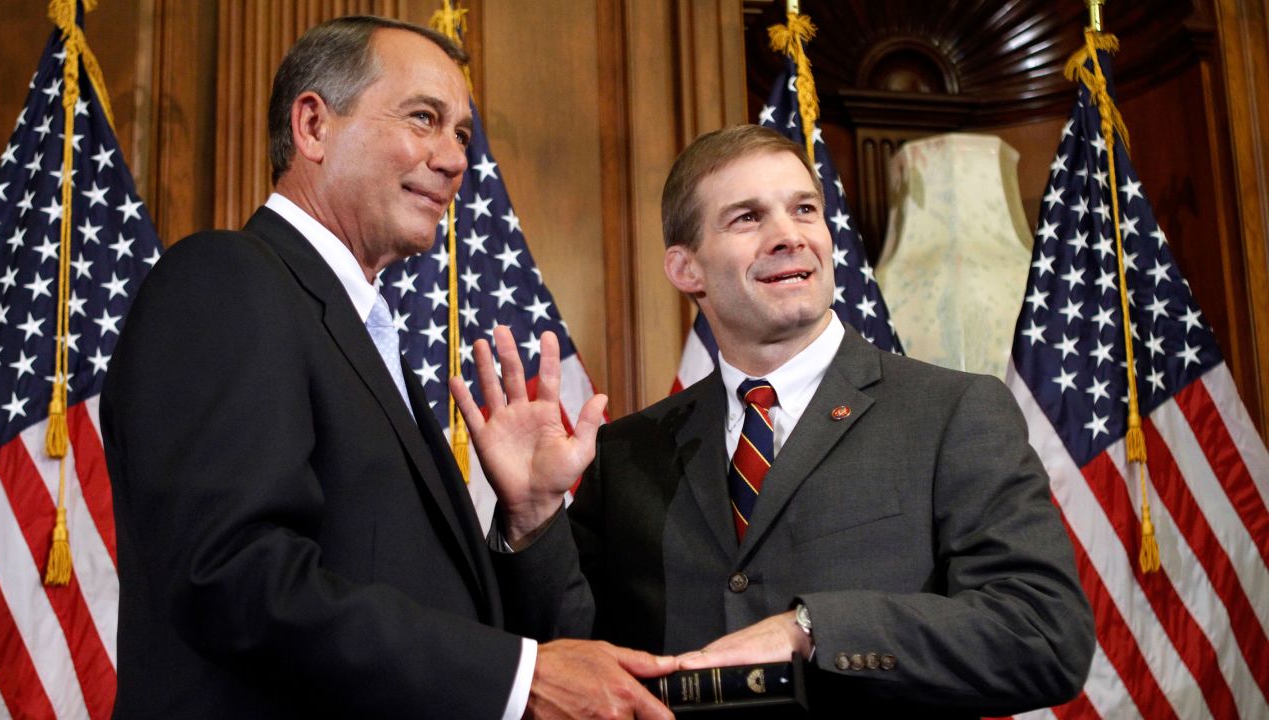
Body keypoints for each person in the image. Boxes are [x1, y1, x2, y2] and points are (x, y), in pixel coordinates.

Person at [101, 16, 674, 719]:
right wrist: (515, 680)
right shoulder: (226, 280)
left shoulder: (361, 334)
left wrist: (525, 519)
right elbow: (234, 576)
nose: (457, 159)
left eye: (461, 133)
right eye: (424, 119)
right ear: (312, 125)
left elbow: (438, 604)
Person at [454, 124, 1097, 717]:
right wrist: (533, 518)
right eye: (747, 218)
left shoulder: (952, 412)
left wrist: (811, 629)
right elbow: (576, 663)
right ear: (687, 268)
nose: (790, 234)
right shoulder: (629, 451)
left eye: (804, 209)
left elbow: (1042, 635)